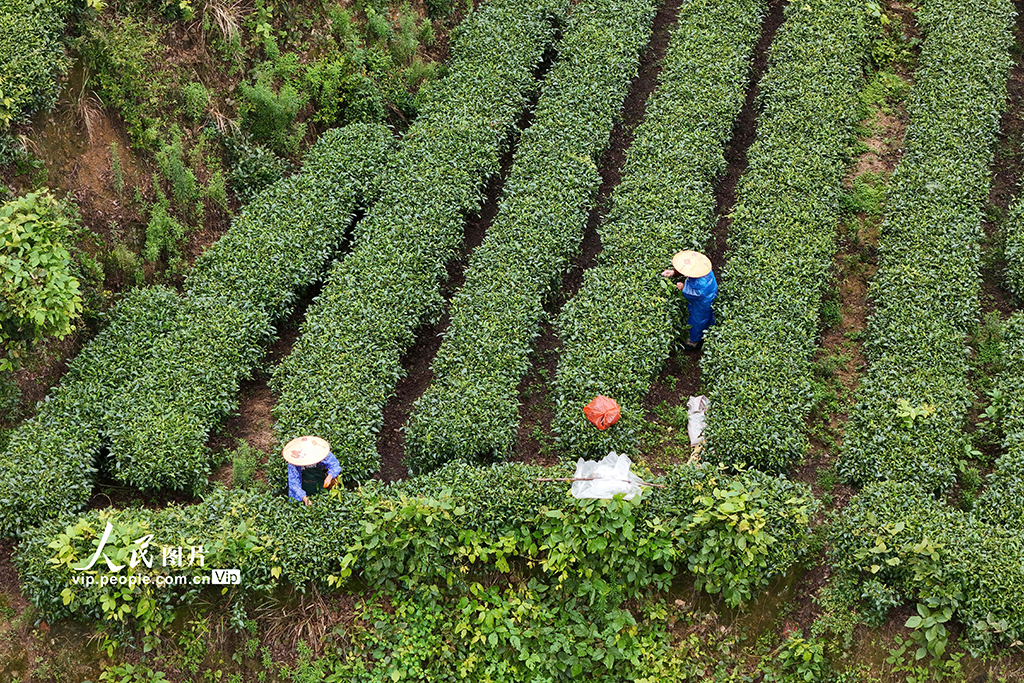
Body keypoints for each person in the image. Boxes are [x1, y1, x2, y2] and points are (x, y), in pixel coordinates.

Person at [660, 250, 718, 351]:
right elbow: (687, 270)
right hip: (702, 299)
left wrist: (683, 288)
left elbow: (696, 293)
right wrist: (673, 272)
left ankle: (694, 341)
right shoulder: (702, 269)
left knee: (699, 320)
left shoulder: (702, 282)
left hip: (703, 302)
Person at [283, 435, 341, 506]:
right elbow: (294, 483)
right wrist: (304, 498)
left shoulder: (320, 452)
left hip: (321, 484)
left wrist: (330, 476)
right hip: (303, 486)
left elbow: (335, 465)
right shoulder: (294, 461)